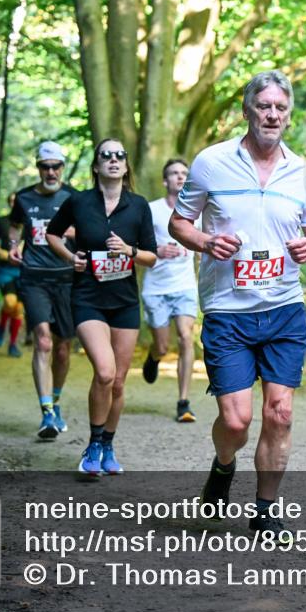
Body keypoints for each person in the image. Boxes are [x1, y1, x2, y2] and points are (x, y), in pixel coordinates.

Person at [168, 70, 306, 537]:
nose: (272, 115)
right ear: (247, 111)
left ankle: (265, 510)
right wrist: (204, 241)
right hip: (228, 311)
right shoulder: (211, 162)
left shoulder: (300, 171)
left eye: (280, 108)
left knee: (280, 412)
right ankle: (223, 466)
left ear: (290, 116)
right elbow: (180, 224)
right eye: (264, 106)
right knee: (236, 422)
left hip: (284, 308)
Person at [46, 138, 157, 476]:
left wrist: (129, 251)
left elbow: (151, 257)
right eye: (105, 155)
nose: (113, 159)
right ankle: (93, 444)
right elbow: (52, 234)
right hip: (88, 298)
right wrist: (71, 257)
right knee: (105, 372)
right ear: (96, 166)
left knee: (119, 382)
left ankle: (108, 445)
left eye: (120, 155)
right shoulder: (78, 202)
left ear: (126, 166)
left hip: (123, 302)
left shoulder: (138, 206)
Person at [8, 141, 77, 439]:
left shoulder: (74, 197)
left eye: (55, 166)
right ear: (38, 168)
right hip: (34, 277)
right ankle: (46, 412)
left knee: (63, 348)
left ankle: (56, 400)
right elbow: (14, 226)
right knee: (44, 342)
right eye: (44, 166)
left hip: (66, 278)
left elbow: (90, 228)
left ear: (62, 167)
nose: (50, 172)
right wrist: (13, 245)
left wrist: (75, 233)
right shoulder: (23, 198)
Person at [141, 158, 199, 423]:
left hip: (185, 285)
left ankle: (183, 402)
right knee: (163, 347)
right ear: (165, 181)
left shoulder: (198, 211)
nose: (179, 177)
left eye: (184, 173)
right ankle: (153, 357)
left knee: (186, 337)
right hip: (156, 288)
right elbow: (135, 248)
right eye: (174, 173)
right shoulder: (151, 210)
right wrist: (158, 251)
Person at [0, 191, 25, 357]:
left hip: (26, 271)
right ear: (9, 203)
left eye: (18, 201)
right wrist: (0, 251)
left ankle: (12, 344)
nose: (15, 204)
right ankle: (2, 326)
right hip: (6, 269)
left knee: (19, 309)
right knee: (10, 303)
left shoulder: (30, 222)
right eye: (12, 201)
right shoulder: (1, 221)